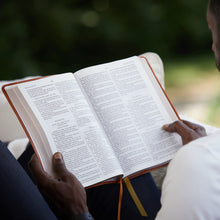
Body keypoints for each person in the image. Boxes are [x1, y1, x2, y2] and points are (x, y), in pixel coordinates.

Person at [0, 1, 220, 219]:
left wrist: (76, 212)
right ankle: (18, 149)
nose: (211, 45)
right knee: (114, 163)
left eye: (211, 30)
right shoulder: (205, 157)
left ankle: (17, 150)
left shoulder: (200, 161)